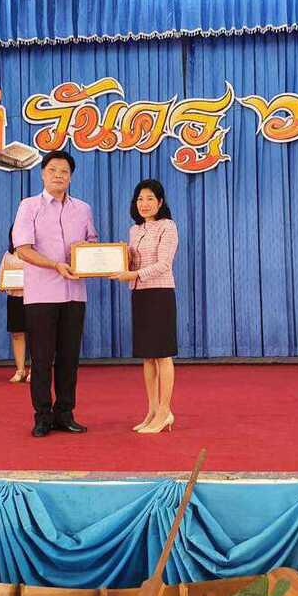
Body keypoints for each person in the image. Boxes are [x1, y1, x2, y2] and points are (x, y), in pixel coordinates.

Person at [13, 149, 98, 437]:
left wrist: (91, 254)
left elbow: (92, 242)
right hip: (41, 294)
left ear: (71, 177)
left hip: (74, 294)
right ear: (42, 174)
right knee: (41, 359)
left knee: (69, 358)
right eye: (53, 170)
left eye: (64, 171)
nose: (58, 175)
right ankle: (42, 416)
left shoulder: (83, 209)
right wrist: (55, 265)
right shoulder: (28, 206)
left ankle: (65, 413)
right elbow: (23, 249)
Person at [110, 179, 179, 433]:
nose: (144, 203)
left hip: (160, 293)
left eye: (150, 198)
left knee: (163, 355)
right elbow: (132, 263)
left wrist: (133, 274)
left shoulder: (168, 226)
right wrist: (123, 258)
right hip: (139, 295)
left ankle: (165, 411)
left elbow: (164, 264)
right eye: (140, 199)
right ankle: (152, 410)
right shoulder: (134, 230)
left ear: (160, 202)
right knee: (148, 356)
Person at [0, 224, 29, 383]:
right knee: (17, 334)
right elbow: (1, 275)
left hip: (34, 298)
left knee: (37, 335)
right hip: (15, 299)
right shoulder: (8, 254)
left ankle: (35, 370)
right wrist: (2, 284)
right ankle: (20, 370)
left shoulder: (35, 252)